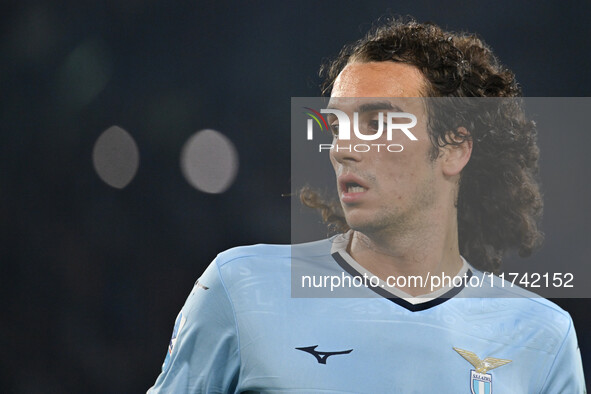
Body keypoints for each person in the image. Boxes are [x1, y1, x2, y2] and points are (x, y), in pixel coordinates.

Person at [148, 19, 585, 393]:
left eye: (377, 122)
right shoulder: (239, 287)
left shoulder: (542, 336)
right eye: (336, 125)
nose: (342, 148)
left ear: (455, 148)